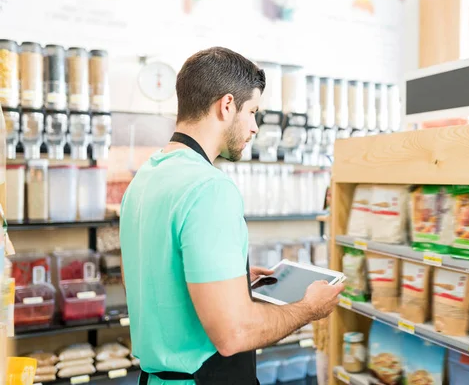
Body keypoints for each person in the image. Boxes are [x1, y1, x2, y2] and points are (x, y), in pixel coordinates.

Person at [119, 47, 344, 385]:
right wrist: (309, 309)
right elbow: (233, 334)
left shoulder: (145, 178)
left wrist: (226, 276)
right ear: (226, 106)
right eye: (252, 111)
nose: (254, 127)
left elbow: (149, 274)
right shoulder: (209, 188)